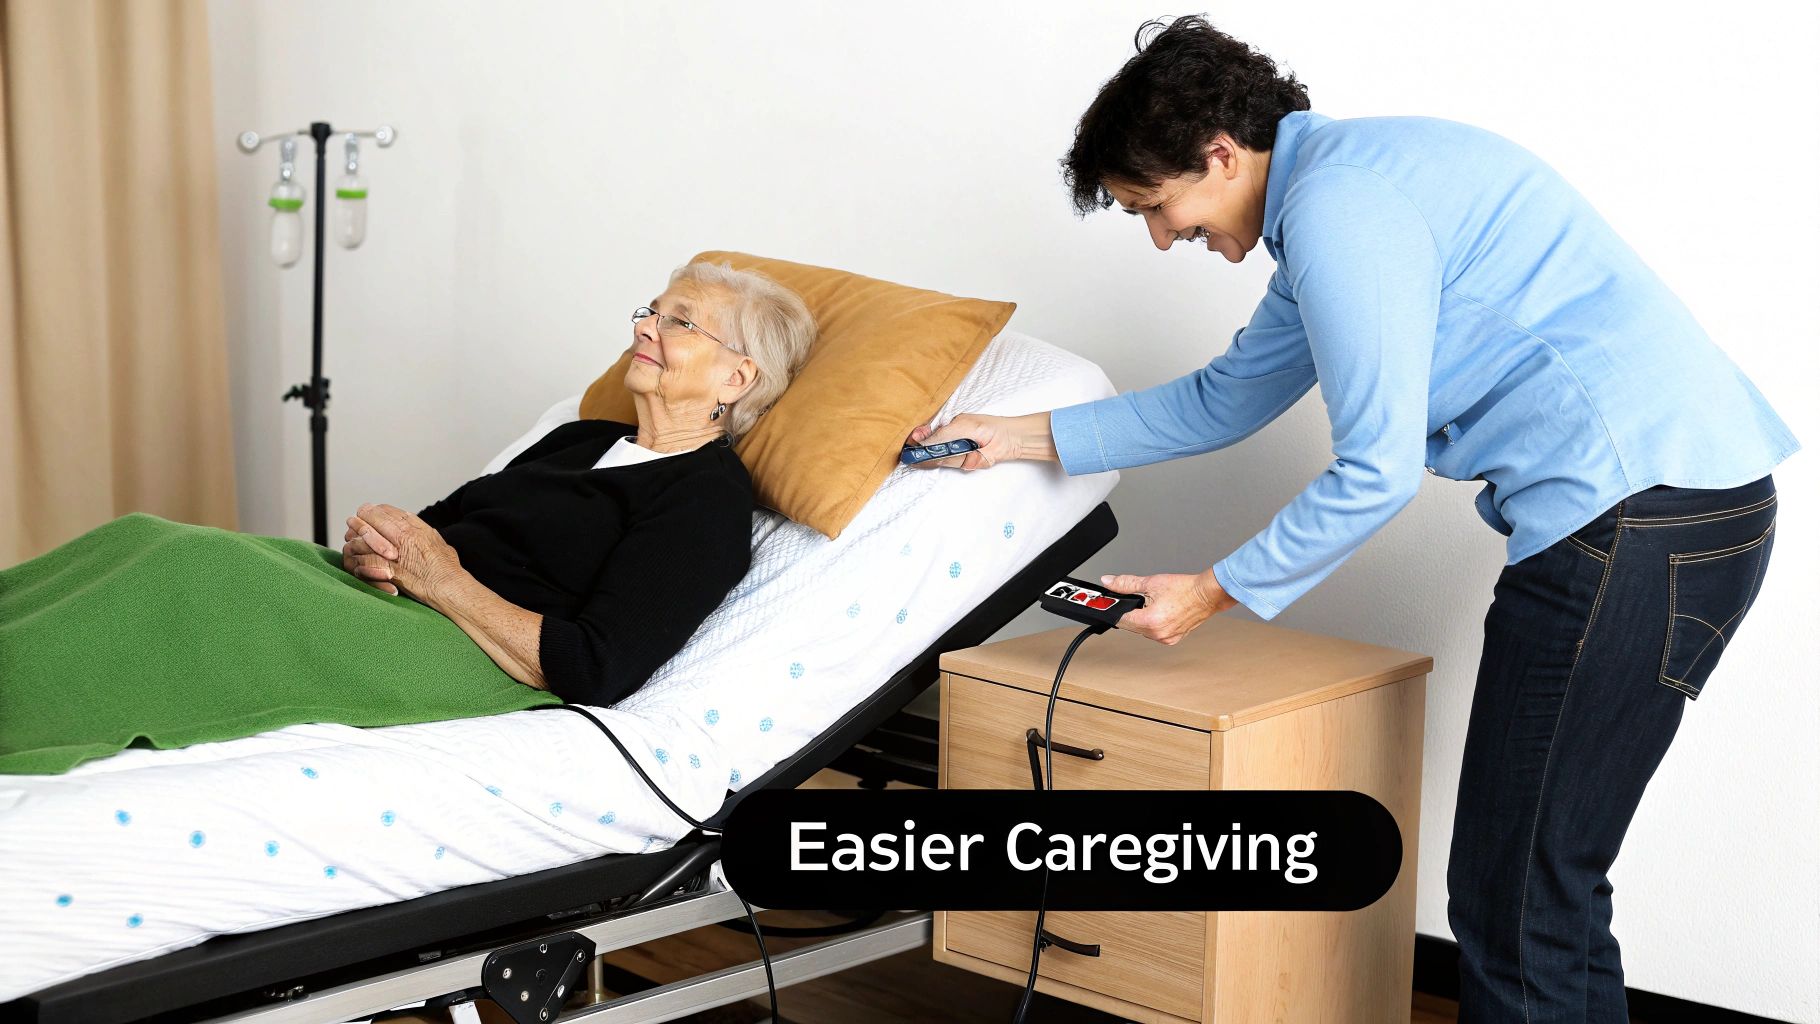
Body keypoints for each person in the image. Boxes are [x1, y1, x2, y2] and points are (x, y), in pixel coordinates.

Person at [909, 17, 1797, 1023]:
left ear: (1220, 153)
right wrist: (1011, 437)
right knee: (1544, 889)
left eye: (1156, 206)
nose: (1161, 237)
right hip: (1687, 515)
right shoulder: (1342, 193)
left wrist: (1210, 593)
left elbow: (1374, 472)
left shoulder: (1342, 209)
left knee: (1514, 900)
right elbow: (1222, 400)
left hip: (1633, 525)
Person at [0, 261, 814, 774]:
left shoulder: (704, 499)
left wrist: (439, 579)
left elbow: (596, 668)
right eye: (652, 310)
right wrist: (379, 549)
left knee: (200, 573)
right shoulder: (579, 439)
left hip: (474, 656)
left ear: (735, 379)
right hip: (400, 604)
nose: (644, 327)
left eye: (679, 322)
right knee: (149, 537)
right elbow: (441, 522)